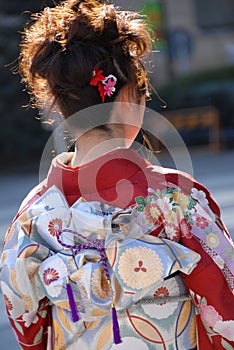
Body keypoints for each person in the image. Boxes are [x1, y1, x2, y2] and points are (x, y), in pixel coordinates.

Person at [0, 1, 233, 349]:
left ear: (60, 108)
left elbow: (28, 327)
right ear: (127, 98)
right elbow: (225, 309)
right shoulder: (175, 200)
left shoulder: (32, 217)